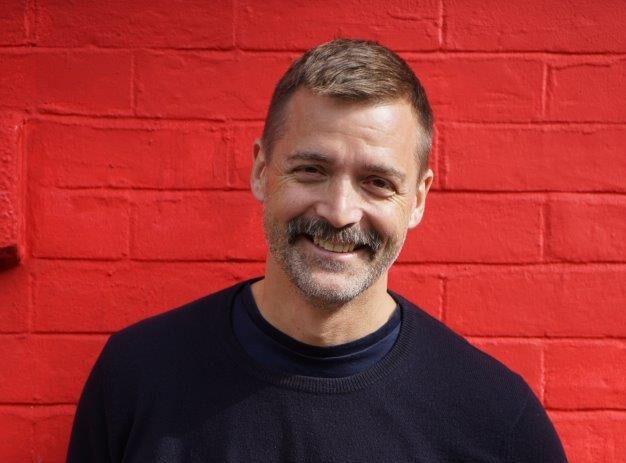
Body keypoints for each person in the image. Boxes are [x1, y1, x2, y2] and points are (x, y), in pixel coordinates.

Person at [67, 39, 567, 462]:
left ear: (417, 199)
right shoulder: (138, 376)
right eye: (311, 170)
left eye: (376, 182)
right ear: (262, 170)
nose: (339, 211)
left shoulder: (495, 419)